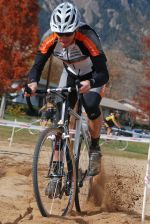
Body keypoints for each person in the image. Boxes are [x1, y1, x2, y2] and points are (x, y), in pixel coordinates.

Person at [26, 2, 109, 183]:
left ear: (75, 29)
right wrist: (32, 83)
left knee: (91, 104)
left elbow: (104, 72)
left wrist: (92, 82)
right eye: (59, 33)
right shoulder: (50, 38)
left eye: (67, 33)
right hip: (70, 74)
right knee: (60, 119)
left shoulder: (87, 37)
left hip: (93, 75)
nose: (63, 38)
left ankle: (94, 148)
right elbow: (37, 66)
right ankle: (57, 171)